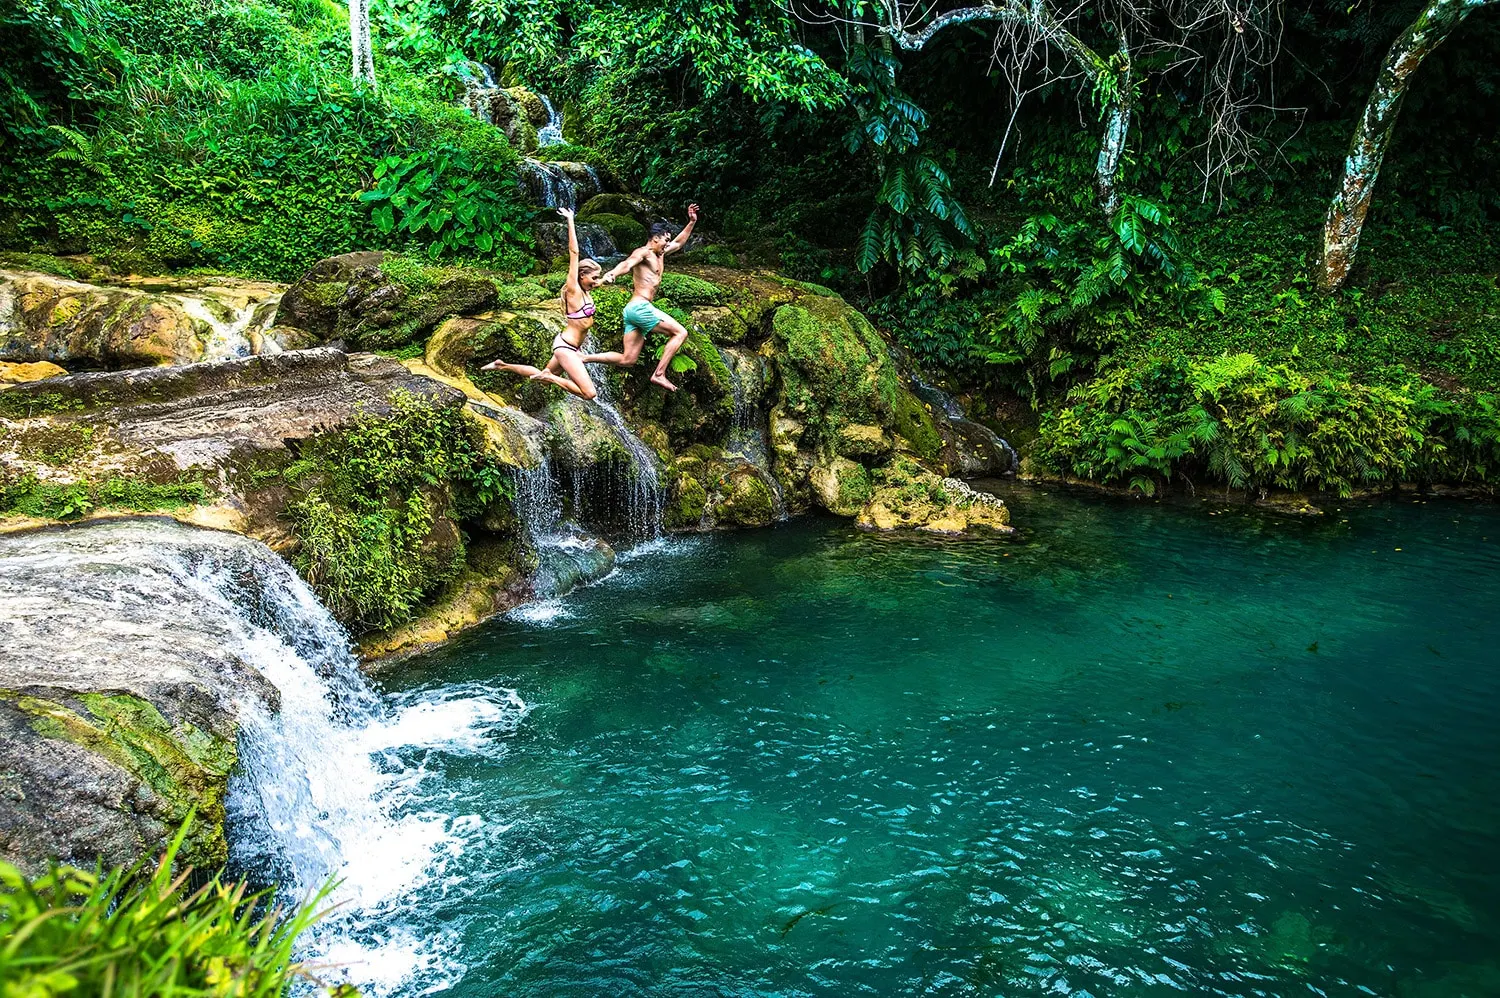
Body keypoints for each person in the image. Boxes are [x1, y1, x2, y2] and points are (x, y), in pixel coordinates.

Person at [480, 206, 600, 400]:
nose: (596, 282)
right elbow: (574, 253)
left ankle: (501, 365)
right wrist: (570, 220)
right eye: (593, 278)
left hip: (569, 346)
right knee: (589, 393)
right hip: (566, 348)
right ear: (581, 275)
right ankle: (551, 378)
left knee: (542, 376)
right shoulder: (573, 290)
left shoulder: (587, 290)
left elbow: (599, 281)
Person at [583, 203, 700, 391]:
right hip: (640, 308)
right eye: (665, 240)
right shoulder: (644, 253)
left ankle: (584, 357)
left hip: (631, 312)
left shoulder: (660, 253)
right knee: (680, 332)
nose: (667, 243)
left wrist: (692, 222)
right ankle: (659, 374)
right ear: (655, 238)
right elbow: (627, 263)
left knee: (628, 359)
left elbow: (678, 243)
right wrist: (613, 273)